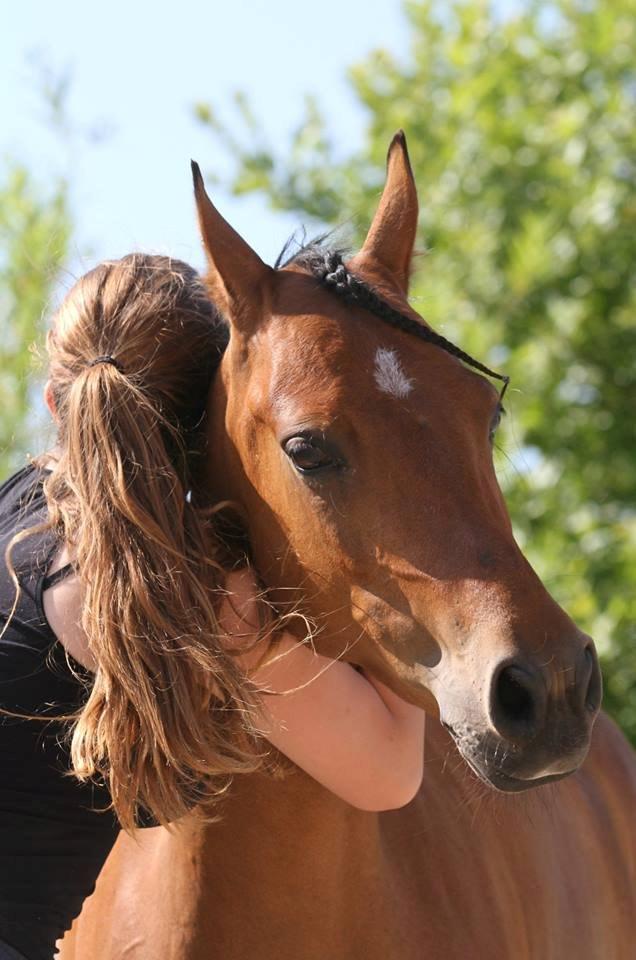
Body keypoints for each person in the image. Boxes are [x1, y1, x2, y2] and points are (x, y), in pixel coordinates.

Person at [0, 253, 425, 960]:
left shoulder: (15, 506)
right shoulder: (187, 598)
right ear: (211, 417)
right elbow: (389, 771)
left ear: (54, 402)